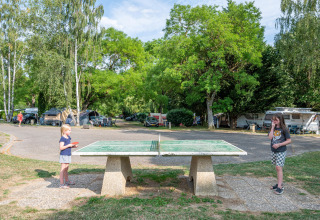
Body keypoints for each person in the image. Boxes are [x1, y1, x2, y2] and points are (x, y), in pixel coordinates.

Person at [268, 113, 292, 195]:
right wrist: (273, 127)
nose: (274, 121)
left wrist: (279, 144)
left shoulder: (284, 129)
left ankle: (280, 187)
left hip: (281, 150)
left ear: (280, 120)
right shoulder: (273, 128)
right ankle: (279, 183)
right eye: (273, 120)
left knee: (279, 167)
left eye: (276, 120)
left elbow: (289, 140)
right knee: (277, 167)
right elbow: (270, 137)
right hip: (274, 150)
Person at [59, 124, 78, 189]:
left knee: (66, 169)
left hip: (68, 155)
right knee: (63, 169)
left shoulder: (68, 137)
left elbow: (68, 146)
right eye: (69, 130)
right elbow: (61, 148)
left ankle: (67, 181)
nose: (70, 131)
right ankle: (61, 184)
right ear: (64, 131)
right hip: (64, 155)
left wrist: (73, 146)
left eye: (70, 130)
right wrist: (69, 145)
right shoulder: (62, 138)